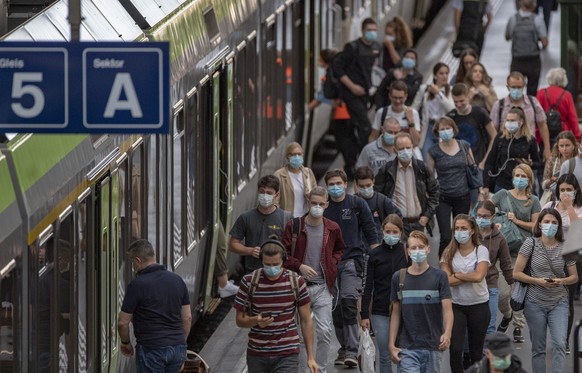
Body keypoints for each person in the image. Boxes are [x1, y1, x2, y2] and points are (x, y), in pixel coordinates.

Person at [282, 186, 344, 373]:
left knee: (325, 332)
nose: (317, 207)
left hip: (322, 287)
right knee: (301, 335)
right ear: (308, 202)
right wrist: (299, 265)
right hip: (298, 288)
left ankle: (320, 369)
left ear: (326, 204)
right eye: (313, 203)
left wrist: (331, 263)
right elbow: (282, 254)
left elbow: (340, 249)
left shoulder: (332, 228)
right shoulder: (294, 226)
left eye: (320, 204)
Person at [233, 240, 318, 373]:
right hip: (257, 354)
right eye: (267, 264)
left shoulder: (296, 282)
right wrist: (256, 320)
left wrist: (310, 357)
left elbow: (306, 320)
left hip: (287, 353)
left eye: (275, 264)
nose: (271, 268)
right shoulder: (249, 282)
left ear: (283, 261)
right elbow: (239, 320)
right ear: (261, 261)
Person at [323, 169, 380, 366]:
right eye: (331, 184)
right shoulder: (323, 207)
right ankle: (344, 347)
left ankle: (352, 351)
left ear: (346, 184)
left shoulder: (356, 204)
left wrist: (376, 257)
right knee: (335, 309)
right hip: (329, 265)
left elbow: (371, 231)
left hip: (351, 261)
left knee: (348, 305)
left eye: (339, 183)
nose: (335, 187)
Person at [513, 208, 578, 373]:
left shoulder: (566, 246)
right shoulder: (530, 243)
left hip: (559, 302)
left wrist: (561, 280)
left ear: (559, 226)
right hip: (534, 302)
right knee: (538, 348)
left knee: (559, 344)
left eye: (554, 222)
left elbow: (574, 277)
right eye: (547, 222)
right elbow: (517, 273)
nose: (550, 225)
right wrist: (538, 281)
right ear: (540, 224)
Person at [118, 240, 192, 372]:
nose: (133, 266)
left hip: (151, 349)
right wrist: (180, 343)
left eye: (132, 262)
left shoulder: (137, 285)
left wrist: (126, 343)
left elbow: (123, 323)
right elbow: (187, 318)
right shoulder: (177, 280)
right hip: (177, 348)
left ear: (138, 260)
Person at [388, 230, 453, 373]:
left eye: (421, 247)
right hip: (407, 347)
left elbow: (448, 310)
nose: (418, 251)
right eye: (413, 248)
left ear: (428, 249)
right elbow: (395, 314)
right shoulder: (399, 278)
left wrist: (447, 333)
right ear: (408, 252)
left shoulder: (440, 277)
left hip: (433, 347)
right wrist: (391, 344)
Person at [490, 163, 541, 343]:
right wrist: (491, 222)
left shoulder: (533, 200)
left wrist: (517, 220)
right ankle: (508, 314)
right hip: (501, 249)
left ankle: (518, 327)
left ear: (529, 180)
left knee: (519, 291)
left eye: (523, 176)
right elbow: (483, 210)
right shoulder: (502, 194)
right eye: (517, 175)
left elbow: (536, 226)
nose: (519, 179)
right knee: (502, 293)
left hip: (522, 251)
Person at [440, 214, 491, 373]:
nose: (460, 231)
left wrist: (457, 275)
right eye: (457, 228)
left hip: (479, 305)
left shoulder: (481, 250)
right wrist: (468, 275)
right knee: (455, 350)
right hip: (456, 306)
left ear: (472, 231)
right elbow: (446, 280)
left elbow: (479, 276)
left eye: (463, 228)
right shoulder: (448, 252)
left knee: (476, 352)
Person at [360, 214, 409, 373]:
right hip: (380, 310)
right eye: (387, 231)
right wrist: (364, 315)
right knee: (384, 354)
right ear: (382, 231)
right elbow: (368, 286)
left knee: (404, 352)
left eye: (394, 232)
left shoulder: (407, 253)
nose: (391, 235)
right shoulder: (374, 255)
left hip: (404, 310)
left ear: (401, 232)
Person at [542, 173, 582, 353]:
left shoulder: (579, 209)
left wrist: (569, 208)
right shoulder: (550, 206)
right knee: (546, 297)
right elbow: (539, 228)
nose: (565, 193)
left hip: (572, 258)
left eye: (569, 190)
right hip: (549, 256)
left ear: (576, 191)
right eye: (562, 189)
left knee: (566, 299)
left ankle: (564, 340)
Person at [375, 133, 440, 236]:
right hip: (395, 225)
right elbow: (377, 196)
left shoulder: (422, 168)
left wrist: (426, 216)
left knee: (417, 252)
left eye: (408, 147)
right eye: (401, 148)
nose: (405, 151)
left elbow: (435, 192)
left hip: (419, 223)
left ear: (412, 147)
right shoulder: (386, 170)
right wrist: (385, 219)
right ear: (395, 149)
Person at [427, 117, 473, 256]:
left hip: (463, 195)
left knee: (461, 234)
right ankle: (443, 267)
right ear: (437, 132)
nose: (446, 131)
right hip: (443, 197)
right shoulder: (433, 151)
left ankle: (461, 263)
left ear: (454, 129)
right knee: (446, 236)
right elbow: (429, 176)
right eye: (442, 129)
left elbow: (473, 168)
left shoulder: (464, 145)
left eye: (448, 128)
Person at [333, 17, 382, 150]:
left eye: (374, 30)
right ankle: (367, 153)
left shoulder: (377, 47)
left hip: (367, 93)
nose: (372, 33)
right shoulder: (352, 47)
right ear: (362, 31)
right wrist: (352, 87)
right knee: (364, 124)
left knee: (359, 124)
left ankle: (358, 152)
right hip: (351, 93)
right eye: (369, 30)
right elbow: (337, 68)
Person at [229, 175, 293, 274]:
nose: (264, 195)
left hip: (279, 273)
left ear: (277, 195)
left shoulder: (287, 218)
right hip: (253, 273)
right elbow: (233, 245)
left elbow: (293, 247)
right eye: (262, 192)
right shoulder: (246, 217)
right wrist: (250, 251)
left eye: (269, 193)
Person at [309, 49, 358, 179]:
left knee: (343, 141)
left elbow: (322, 96)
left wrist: (308, 109)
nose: (318, 62)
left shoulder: (329, 75)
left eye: (320, 59)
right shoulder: (342, 72)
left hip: (342, 113)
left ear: (325, 61)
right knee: (350, 139)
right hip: (352, 111)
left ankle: (351, 167)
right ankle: (351, 165)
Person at [490, 71, 551, 162]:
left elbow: (542, 125)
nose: (516, 90)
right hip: (505, 154)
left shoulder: (533, 102)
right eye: (513, 87)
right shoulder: (499, 105)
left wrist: (547, 148)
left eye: (519, 87)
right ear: (508, 87)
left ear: (524, 86)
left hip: (529, 155)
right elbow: (493, 130)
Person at [475, 200, 514, 334]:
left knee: (489, 327)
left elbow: (506, 264)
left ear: (492, 217)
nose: (481, 219)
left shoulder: (499, 238)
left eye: (485, 216)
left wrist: (512, 285)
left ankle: (487, 355)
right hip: (471, 285)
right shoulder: (469, 234)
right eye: (479, 215)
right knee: (472, 327)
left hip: (490, 283)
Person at [482, 107, 541, 193]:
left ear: (521, 122)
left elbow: (538, 163)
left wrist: (530, 164)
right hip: (501, 184)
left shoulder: (530, 140)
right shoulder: (500, 138)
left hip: (521, 184)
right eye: (508, 120)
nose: (509, 123)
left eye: (512, 120)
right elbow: (490, 162)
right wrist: (486, 185)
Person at [412, 62, 455, 161]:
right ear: (435, 75)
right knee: (427, 158)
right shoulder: (425, 89)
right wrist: (417, 126)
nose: (445, 76)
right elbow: (414, 108)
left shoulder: (450, 90)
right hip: (428, 128)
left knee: (442, 159)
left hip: (443, 129)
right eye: (441, 73)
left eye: (446, 73)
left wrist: (438, 94)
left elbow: (452, 109)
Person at [448, 83, 497, 170]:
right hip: (459, 166)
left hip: (479, 163)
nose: (459, 105)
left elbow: (494, 136)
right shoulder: (451, 116)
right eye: (455, 102)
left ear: (468, 97)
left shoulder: (479, 112)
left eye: (461, 101)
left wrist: (484, 161)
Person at [505, 0, 548, 97]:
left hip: (517, 59)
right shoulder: (537, 19)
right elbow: (544, 41)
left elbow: (507, 37)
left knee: (515, 89)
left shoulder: (513, 19)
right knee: (532, 90)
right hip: (533, 60)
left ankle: (516, 109)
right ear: (534, 6)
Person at [354, 166, 401, 239]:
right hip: (360, 245)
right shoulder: (352, 202)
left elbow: (397, 219)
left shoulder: (382, 200)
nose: (365, 189)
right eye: (362, 186)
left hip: (380, 243)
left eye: (368, 185)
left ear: (373, 181)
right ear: (356, 184)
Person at [536, 68, 581, 144]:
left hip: (544, 132)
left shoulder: (541, 93)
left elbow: (536, 114)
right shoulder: (567, 95)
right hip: (563, 132)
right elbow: (573, 117)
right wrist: (577, 136)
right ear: (564, 80)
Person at [370, 80, 421, 146]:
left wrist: (411, 122)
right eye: (395, 97)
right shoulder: (382, 112)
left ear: (406, 96)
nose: (397, 101)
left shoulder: (413, 113)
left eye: (400, 98)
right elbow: (373, 137)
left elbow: (416, 142)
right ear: (390, 96)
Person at [274, 142, 317, 218]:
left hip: (305, 217)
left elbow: (316, 194)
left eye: (299, 154)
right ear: (287, 157)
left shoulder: (308, 173)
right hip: (287, 219)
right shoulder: (279, 175)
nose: (297, 157)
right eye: (293, 155)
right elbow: (275, 201)